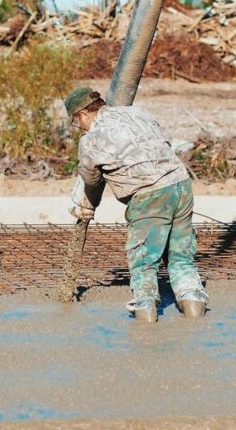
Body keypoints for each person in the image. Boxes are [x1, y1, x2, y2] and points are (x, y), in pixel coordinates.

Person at [64, 86, 207, 323]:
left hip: (148, 195)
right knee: (181, 256)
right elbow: (162, 142)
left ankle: (145, 323)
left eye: (75, 122)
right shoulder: (137, 112)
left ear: (84, 114)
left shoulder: (90, 141)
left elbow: (90, 179)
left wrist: (87, 203)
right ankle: (195, 311)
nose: (77, 127)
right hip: (181, 185)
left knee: (144, 261)